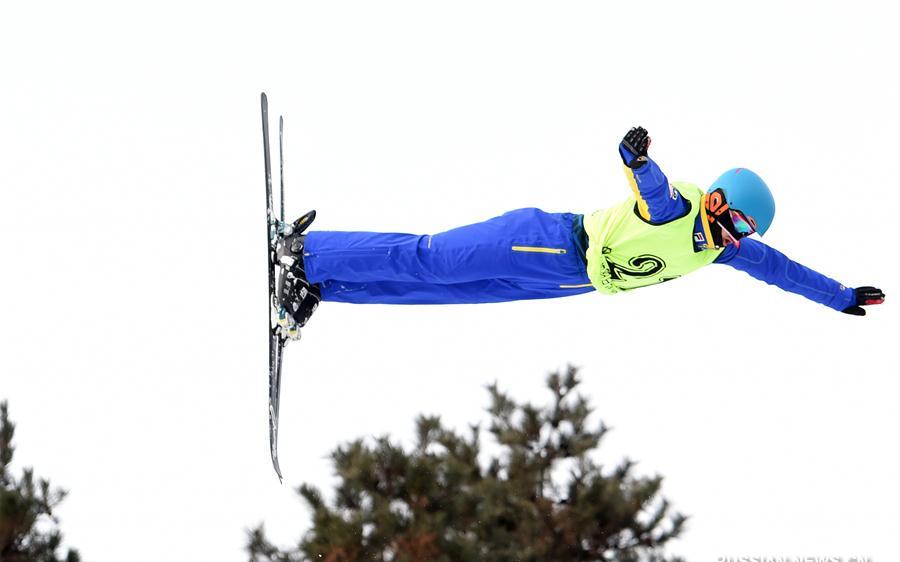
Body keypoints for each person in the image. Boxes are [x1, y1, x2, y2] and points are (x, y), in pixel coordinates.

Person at [273, 127, 885, 336]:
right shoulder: (681, 209)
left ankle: (321, 286)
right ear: (722, 201)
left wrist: (839, 297)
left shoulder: (719, 255)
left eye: (749, 232)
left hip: (569, 283)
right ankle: (305, 251)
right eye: (743, 223)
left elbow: (781, 270)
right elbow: (652, 188)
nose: (741, 237)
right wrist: (638, 159)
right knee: (431, 259)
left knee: (442, 294)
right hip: (552, 240)